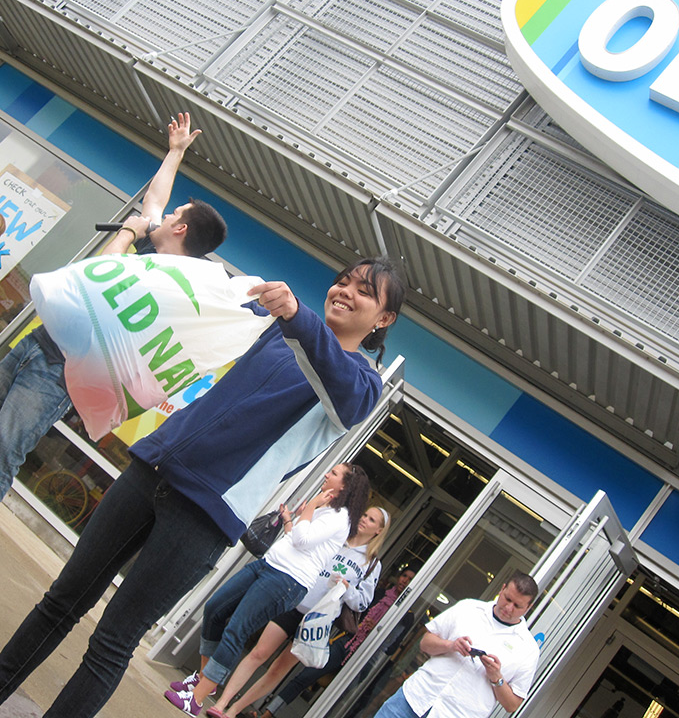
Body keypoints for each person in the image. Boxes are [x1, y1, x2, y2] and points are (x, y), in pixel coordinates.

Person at [0, 256, 406, 718]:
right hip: (152, 468)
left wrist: (298, 315)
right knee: (61, 601)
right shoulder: (281, 328)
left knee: (112, 640)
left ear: (384, 318)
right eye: (343, 281)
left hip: (206, 515)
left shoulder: (361, 384)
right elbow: (201, 309)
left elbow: (343, 391)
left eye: (365, 291)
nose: (345, 291)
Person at [0, 111, 227, 499]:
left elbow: (100, 274)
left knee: (4, 452)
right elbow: (155, 196)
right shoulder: (152, 239)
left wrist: (126, 231)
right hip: (36, 342)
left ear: (182, 229)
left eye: (176, 215)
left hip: (59, 374)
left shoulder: (172, 283)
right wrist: (175, 152)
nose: (167, 213)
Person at [165, 464, 371, 715]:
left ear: (345, 487)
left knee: (236, 630)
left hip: (286, 580)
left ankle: (195, 700)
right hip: (268, 566)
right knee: (215, 608)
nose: (327, 474)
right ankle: (204, 682)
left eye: (334, 474)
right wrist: (291, 519)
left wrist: (309, 507)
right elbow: (296, 536)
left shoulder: (339, 518)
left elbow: (302, 540)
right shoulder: (325, 510)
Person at [197, 505, 392, 718]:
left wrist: (346, 588)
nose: (364, 519)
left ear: (379, 531)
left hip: (317, 619)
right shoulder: (338, 537)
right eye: (364, 514)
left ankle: (233, 711)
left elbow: (363, 602)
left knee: (278, 670)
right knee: (259, 653)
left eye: (372, 520)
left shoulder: (371, 563)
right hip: (295, 601)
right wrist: (292, 520)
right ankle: (221, 703)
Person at [373, 571, 540, 718]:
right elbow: (425, 643)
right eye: (507, 598)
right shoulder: (469, 608)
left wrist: (497, 677)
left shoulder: (527, 649)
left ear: (528, 607)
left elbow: (512, 705)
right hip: (415, 698)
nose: (509, 608)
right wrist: (450, 646)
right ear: (502, 589)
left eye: (517, 606)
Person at [257, 566, 417, 718]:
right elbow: (355, 610)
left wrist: (379, 631)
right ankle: (269, 713)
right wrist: (362, 624)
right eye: (404, 576)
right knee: (306, 676)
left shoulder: (407, 615)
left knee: (339, 699)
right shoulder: (379, 594)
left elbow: (391, 648)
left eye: (410, 579)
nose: (405, 581)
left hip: (367, 656)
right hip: (347, 642)